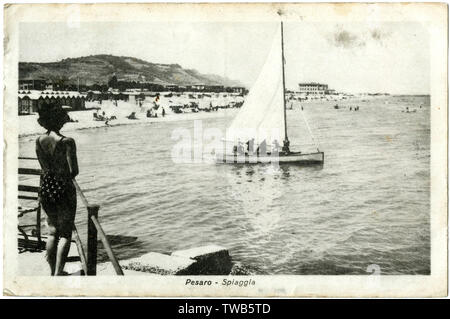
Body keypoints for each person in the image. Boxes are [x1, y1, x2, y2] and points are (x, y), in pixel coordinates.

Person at [35, 103, 79, 276]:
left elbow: (44, 166)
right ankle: (58, 274)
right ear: (59, 121)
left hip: (46, 187)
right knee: (66, 234)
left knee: (52, 232)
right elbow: (73, 171)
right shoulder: (67, 142)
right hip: (63, 189)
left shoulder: (39, 140)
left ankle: (52, 270)